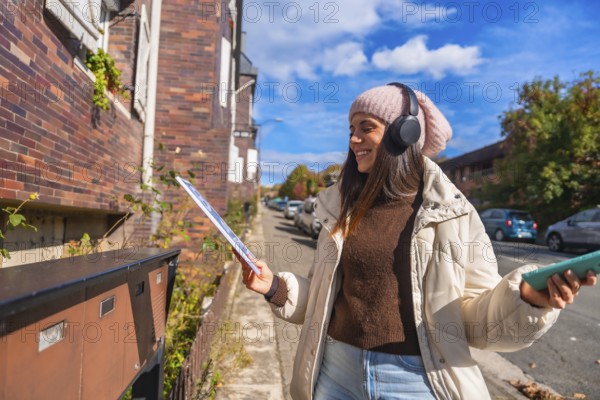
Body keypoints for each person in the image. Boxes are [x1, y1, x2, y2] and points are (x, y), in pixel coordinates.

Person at [234, 83, 597, 400]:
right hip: (335, 371)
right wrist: (275, 287)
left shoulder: (451, 213)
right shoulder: (340, 207)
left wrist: (526, 299)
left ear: (403, 134)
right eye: (351, 129)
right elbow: (323, 299)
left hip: (415, 381)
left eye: (366, 128)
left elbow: (474, 319)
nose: (353, 140)